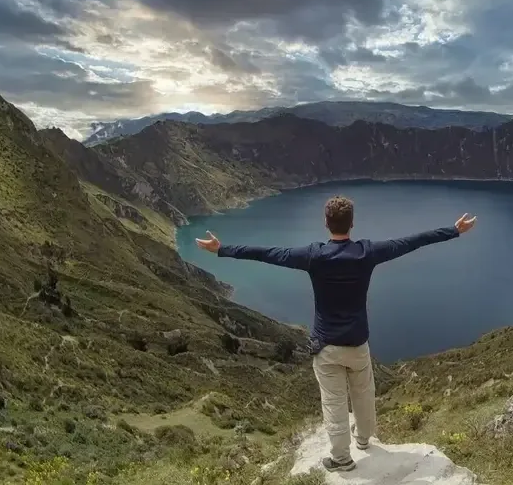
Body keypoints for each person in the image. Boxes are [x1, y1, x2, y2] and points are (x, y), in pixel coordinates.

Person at [195, 195, 477, 473]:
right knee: (364, 393)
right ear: (352, 224)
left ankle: (341, 458)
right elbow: (411, 241)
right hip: (357, 343)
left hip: (326, 346)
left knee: (334, 402)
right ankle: (365, 439)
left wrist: (222, 249)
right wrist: (453, 230)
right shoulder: (367, 252)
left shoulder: (314, 255)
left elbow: (268, 254)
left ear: (326, 223)